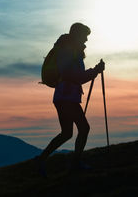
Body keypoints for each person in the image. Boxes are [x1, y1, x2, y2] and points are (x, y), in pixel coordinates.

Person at [35, 22, 105, 176]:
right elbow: (72, 76)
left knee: (66, 133)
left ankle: (41, 159)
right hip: (67, 97)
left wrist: (94, 71)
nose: (86, 40)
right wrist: (94, 71)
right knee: (83, 128)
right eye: (85, 36)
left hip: (64, 96)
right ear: (77, 35)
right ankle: (75, 164)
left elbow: (75, 75)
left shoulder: (71, 50)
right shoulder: (68, 50)